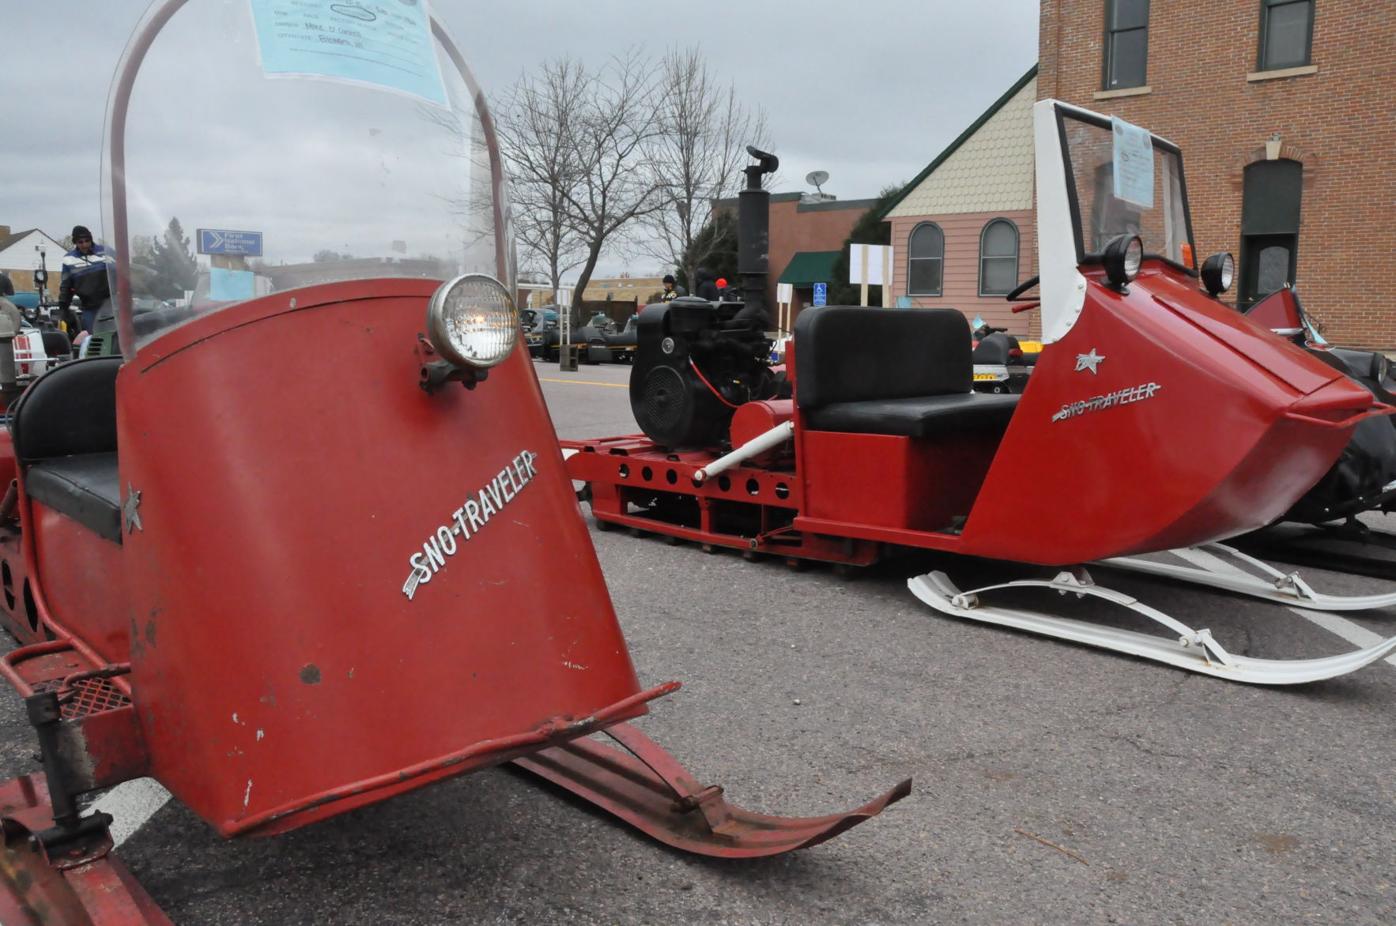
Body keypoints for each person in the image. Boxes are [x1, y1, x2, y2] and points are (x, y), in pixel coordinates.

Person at [58, 225, 115, 335]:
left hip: (110, 304)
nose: (84, 244)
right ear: (75, 242)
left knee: (113, 336)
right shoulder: (68, 259)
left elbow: (122, 273)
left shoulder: (106, 252)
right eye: (80, 242)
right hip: (89, 307)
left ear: (91, 239)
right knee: (93, 338)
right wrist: (63, 309)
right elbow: (66, 286)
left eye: (87, 241)